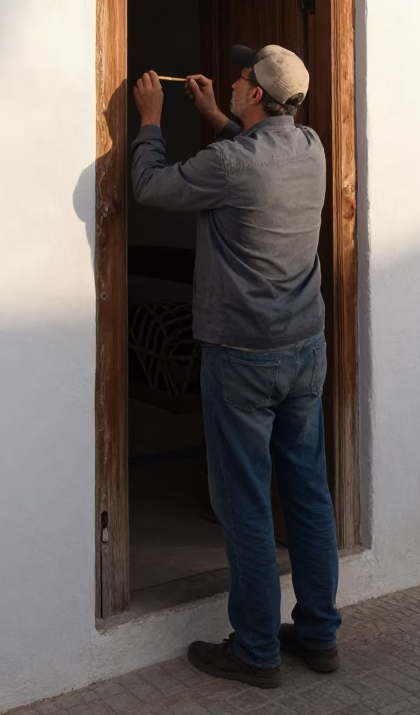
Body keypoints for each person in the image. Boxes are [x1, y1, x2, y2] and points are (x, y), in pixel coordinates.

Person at [132, 44, 341, 689]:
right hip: (305, 350)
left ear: (254, 95)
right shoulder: (311, 147)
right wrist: (214, 114)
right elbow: (256, 160)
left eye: (242, 76)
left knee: (245, 504)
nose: (233, 77)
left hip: (243, 359)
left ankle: (255, 650)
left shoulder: (227, 164)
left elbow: (148, 187)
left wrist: (150, 118)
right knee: (307, 495)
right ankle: (318, 636)